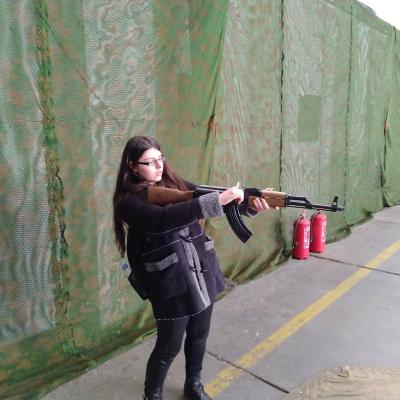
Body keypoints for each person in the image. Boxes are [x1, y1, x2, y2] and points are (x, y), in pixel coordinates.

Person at [113, 136, 272, 400]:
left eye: (160, 159)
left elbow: (208, 197)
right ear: (132, 166)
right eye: (150, 162)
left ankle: (194, 385)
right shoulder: (128, 202)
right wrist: (218, 201)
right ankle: (152, 396)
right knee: (168, 347)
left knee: (199, 335)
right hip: (171, 283)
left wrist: (247, 203)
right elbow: (162, 219)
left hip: (201, 272)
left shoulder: (174, 183)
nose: (159, 166)